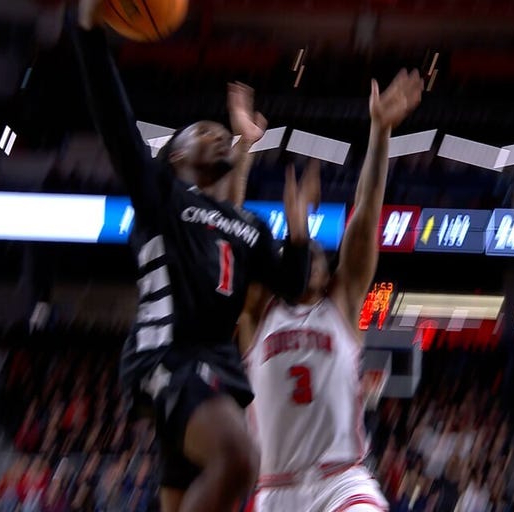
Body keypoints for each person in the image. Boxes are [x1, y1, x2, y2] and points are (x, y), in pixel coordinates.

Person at [68, 2, 315, 511]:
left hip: (218, 367)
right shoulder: (160, 194)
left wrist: (297, 235)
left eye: (220, 132)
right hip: (168, 356)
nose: (217, 134)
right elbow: (115, 120)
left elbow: (293, 287)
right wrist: (90, 31)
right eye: (204, 131)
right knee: (241, 459)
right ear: (176, 155)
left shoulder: (248, 226)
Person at [234, 70, 423, 512]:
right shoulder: (257, 313)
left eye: (323, 258)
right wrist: (243, 149)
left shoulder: (339, 303)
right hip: (275, 488)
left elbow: (366, 215)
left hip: (341, 481)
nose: (317, 260)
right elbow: (226, 230)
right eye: (305, 254)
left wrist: (380, 133)